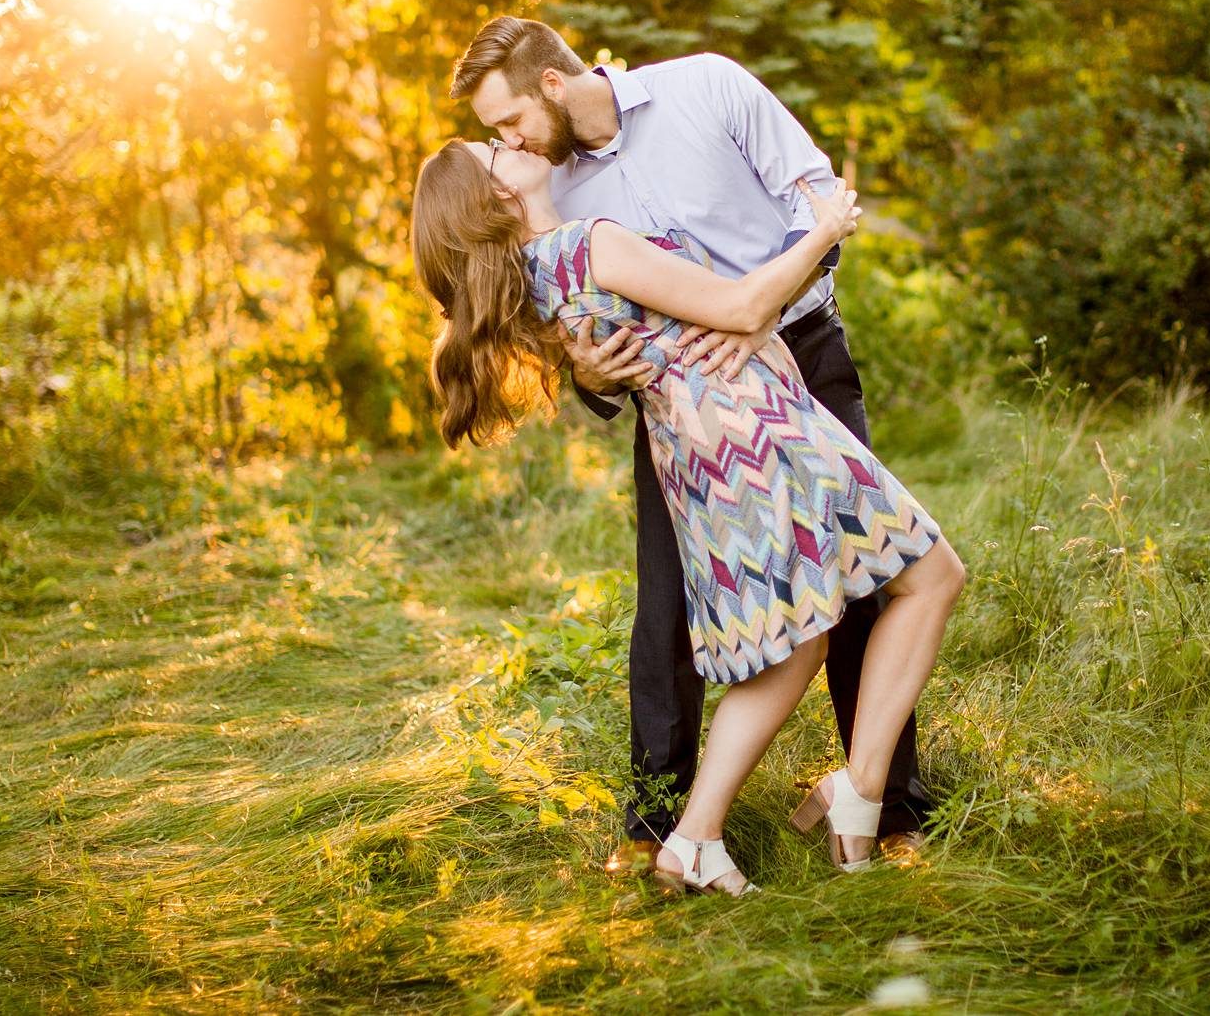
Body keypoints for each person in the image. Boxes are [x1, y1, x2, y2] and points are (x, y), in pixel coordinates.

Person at [410, 133, 965, 892]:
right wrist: (828, 227)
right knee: (926, 578)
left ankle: (718, 832)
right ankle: (837, 797)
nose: (514, 142)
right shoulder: (590, 244)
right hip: (755, 428)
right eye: (495, 148)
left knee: (804, 637)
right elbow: (741, 305)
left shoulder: (540, 278)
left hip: (705, 450)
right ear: (497, 195)